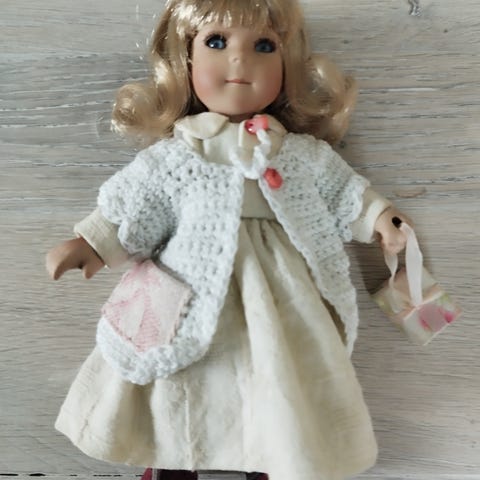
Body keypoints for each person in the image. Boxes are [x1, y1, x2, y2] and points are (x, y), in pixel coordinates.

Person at [46, 1, 410, 479]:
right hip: (186, 293)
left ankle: (272, 461)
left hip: (278, 297)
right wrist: (91, 243)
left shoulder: (297, 154)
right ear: (186, 59)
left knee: (277, 380)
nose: (240, 60)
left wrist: (380, 218)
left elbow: (342, 191)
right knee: (180, 384)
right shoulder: (176, 156)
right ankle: (173, 465)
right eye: (216, 42)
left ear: (286, 63)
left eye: (264, 46)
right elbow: (134, 203)